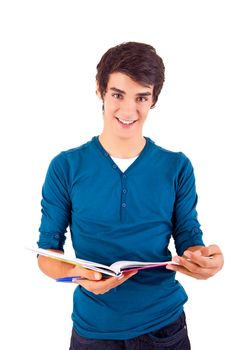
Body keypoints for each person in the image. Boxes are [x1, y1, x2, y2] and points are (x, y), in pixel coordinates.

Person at [37, 42, 224, 350]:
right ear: (100, 90)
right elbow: (47, 254)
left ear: (154, 100)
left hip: (165, 330)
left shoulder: (176, 167)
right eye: (117, 94)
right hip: (93, 331)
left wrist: (201, 260)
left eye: (141, 97)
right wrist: (73, 273)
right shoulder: (66, 167)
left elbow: (189, 235)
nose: (128, 110)